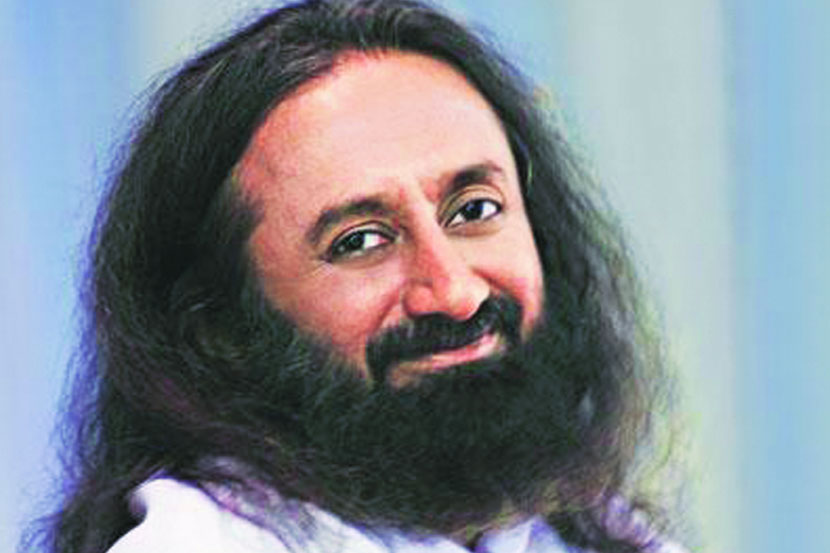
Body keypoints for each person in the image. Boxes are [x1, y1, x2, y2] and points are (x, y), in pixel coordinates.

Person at [33, 1, 687, 552]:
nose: (455, 292)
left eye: (474, 210)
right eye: (361, 241)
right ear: (220, 330)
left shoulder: (585, 530)